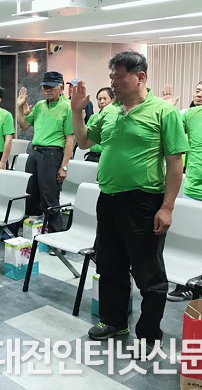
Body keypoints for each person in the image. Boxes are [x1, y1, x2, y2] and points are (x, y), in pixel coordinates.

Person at [71, 51, 188, 358]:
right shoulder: (109, 112)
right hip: (108, 199)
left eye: (119, 77)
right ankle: (114, 321)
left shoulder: (164, 112)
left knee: (148, 272)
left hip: (143, 202)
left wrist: (167, 207)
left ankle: (149, 334)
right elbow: (84, 141)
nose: (113, 83)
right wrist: (76, 112)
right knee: (110, 265)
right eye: (111, 77)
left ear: (140, 77)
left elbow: (175, 164)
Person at [167, 65, 202, 301]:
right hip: (195, 192)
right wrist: (168, 108)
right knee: (191, 245)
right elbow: (166, 133)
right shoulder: (191, 115)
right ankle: (185, 284)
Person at [16, 71, 74, 233]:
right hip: (34, 153)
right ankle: (34, 233)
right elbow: (23, 125)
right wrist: (19, 106)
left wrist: (64, 166)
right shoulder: (40, 105)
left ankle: (55, 234)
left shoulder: (67, 107)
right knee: (32, 194)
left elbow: (70, 139)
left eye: (51, 87)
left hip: (52, 154)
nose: (47, 90)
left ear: (61, 88)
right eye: (44, 87)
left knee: (49, 197)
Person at [84, 87, 115, 162]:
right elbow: (85, 136)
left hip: (107, 156)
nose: (102, 101)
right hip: (92, 155)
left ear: (113, 100)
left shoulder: (116, 117)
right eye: (99, 99)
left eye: (105, 98)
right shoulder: (93, 117)